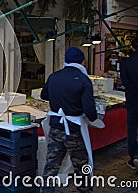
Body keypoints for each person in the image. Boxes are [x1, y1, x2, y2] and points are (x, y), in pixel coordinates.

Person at [40, 47, 97, 193]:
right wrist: (95, 119)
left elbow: (44, 95)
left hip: (55, 128)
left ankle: (46, 191)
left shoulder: (54, 76)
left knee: (51, 165)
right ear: (82, 61)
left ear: (65, 60)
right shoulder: (84, 80)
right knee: (81, 167)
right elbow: (90, 110)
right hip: (74, 130)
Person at [120, 37, 138, 174]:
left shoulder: (126, 62)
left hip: (132, 100)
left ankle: (133, 157)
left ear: (132, 47)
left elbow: (125, 82)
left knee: (132, 129)